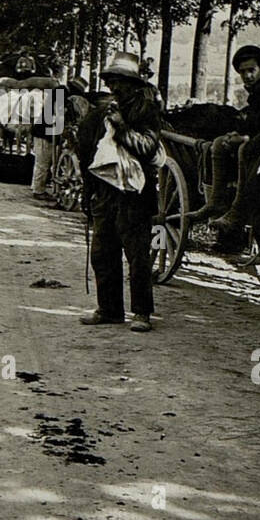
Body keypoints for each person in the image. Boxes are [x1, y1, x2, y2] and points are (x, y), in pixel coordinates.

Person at [77, 52, 162, 332]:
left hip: (134, 194)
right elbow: (88, 155)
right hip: (105, 193)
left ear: (133, 83)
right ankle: (110, 309)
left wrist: (122, 127)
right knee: (102, 252)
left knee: (137, 255)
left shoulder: (145, 109)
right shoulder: (101, 111)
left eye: (121, 81)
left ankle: (141, 313)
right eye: (112, 81)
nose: (115, 86)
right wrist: (88, 193)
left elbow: (148, 147)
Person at [182, 44, 260, 239]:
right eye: (243, 72)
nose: (247, 75)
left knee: (245, 149)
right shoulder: (257, 92)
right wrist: (237, 133)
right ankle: (216, 201)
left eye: (251, 70)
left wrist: (246, 137)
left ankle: (238, 210)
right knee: (220, 143)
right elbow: (256, 119)